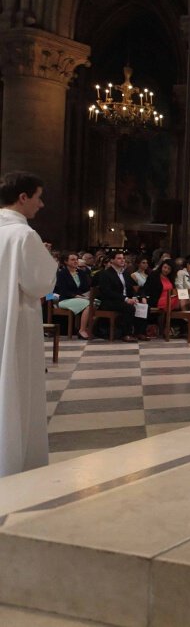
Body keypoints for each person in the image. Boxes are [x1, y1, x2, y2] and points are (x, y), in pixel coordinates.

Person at [0, 172, 59, 477]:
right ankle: (14, 466)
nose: (42, 203)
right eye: (38, 196)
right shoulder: (23, 235)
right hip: (16, 324)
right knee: (16, 390)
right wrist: (50, 260)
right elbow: (39, 284)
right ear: (23, 197)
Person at [96, 251, 143, 342]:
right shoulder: (105, 274)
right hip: (109, 302)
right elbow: (107, 292)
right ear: (112, 260)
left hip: (122, 300)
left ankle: (139, 332)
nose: (122, 260)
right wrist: (125, 299)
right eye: (119, 258)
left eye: (123, 258)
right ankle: (126, 334)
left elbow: (131, 288)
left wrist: (134, 297)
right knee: (129, 308)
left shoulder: (125, 273)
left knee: (143, 306)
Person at [54, 252, 95, 339]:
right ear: (66, 261)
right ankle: (82, 330)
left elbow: (85, 288)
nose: (76, 261)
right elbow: (63, 291)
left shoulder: (81, 273)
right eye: (72, 260)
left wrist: (86, 295)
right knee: (88, 304)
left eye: (76, 259)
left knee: (96, 302)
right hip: (65, 299)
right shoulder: (61, 274)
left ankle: (90, 328)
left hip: (81, 298)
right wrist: (77, 296)